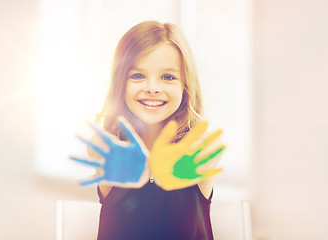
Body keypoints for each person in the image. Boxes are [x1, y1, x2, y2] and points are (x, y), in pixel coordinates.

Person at [81, 21, 224, 240]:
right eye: (138, 76)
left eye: (168, 77)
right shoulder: (105, 146)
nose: (152, 88)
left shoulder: (198, 150)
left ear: (185, 86)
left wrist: (159, 169)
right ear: (121, 82)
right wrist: (147, 169)